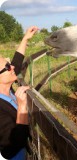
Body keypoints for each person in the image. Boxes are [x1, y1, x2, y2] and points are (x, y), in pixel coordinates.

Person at [0, 26, 39, 159]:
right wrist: (22, 107)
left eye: (8, 63)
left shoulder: (7, 89)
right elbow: (15, 143)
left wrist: (25, 39)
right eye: (7, 67)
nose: (12, 67)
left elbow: (16, 62)